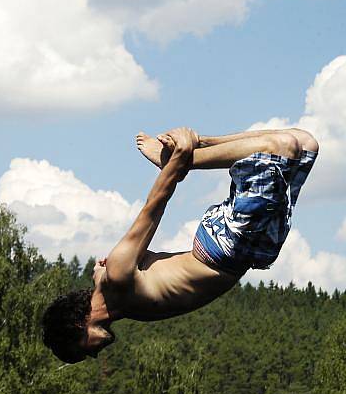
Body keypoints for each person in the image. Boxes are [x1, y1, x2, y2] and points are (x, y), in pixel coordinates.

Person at [42, 126, 319, 363]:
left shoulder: (117, 275)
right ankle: (198, 147)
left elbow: (153, 208)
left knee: (279, 147)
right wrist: (99, 274)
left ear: (76, 326)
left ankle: (184, 158)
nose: (94, 356)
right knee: (305, 143)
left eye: (83, 352)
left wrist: (176, 166)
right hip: (253, 252)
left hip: (226, 245)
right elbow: (115, 281)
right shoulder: (116, 295)